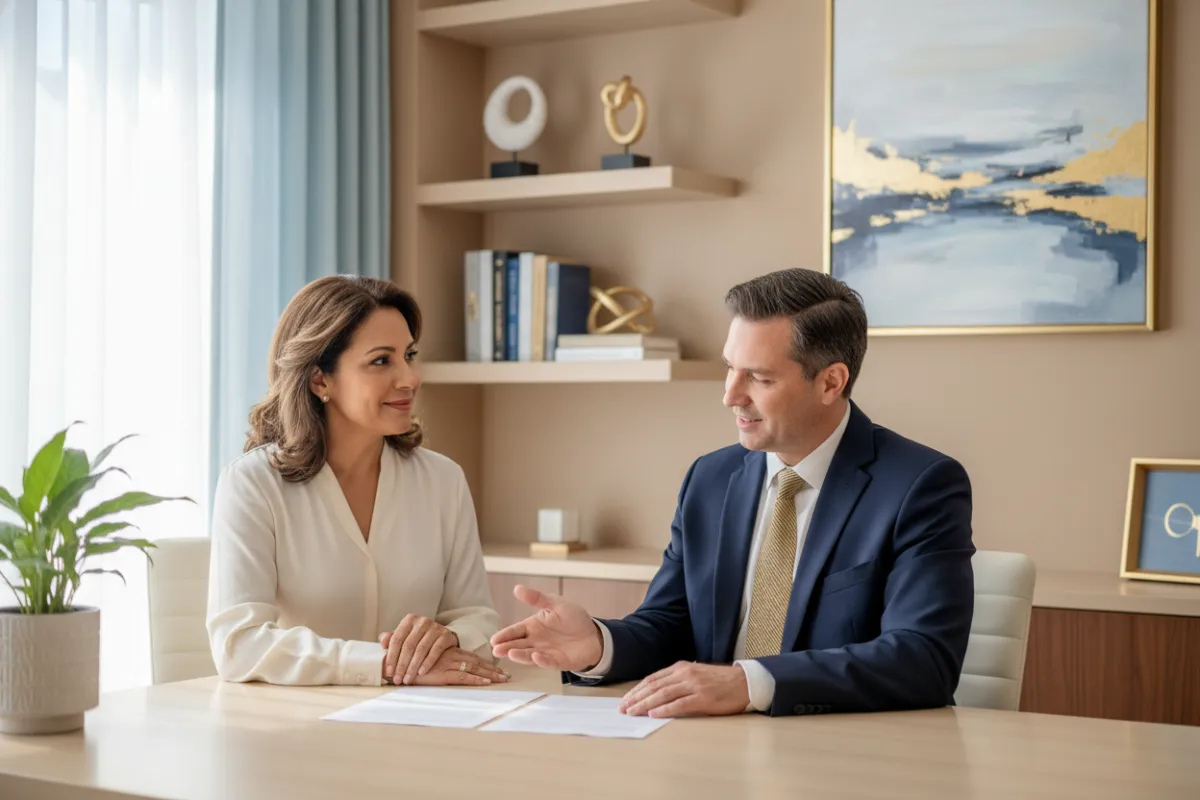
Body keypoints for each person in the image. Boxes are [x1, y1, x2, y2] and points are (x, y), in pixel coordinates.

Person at [492, 268, 975, 717]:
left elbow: (922, 658)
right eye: (731, 369)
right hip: (710, 750)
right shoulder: (710, 478)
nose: (730, 396)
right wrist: (599, 644)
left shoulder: (920, 485)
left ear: (831, 381)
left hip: (839, 757)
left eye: (759, 378)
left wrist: (749, 683)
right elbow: (671, 625)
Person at [207, 275, 507, 688]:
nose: (409, 378)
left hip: (419, 719)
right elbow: (238, 644)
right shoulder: (253, 485)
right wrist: (381, 663)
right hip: (291, 726)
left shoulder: (443, 480)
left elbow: (479, 619)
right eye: (382, 361)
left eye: (409, 355)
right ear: (320, 380)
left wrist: (448, 638)